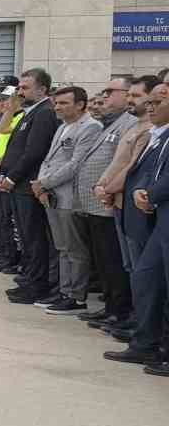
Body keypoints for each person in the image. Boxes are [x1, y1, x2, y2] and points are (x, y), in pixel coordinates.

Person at [110, 82, 169, 366]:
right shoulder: (160, 136)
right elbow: (147, 171)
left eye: (159, 101)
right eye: (151, 102)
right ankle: (145, 343)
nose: (151, 107)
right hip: (157, 220)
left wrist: (152, 194)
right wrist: (142, 190)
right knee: (146, 277)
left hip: (161, 216)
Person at [78, 78, 142, 333]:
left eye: (109, 92)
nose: (104, 97)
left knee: (115, 261)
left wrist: (107, 187)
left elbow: (126, 164)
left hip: (111, 200)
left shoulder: (132, 124)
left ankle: (120, 309)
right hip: (99, 201)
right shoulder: (114, 123)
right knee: (105, 260)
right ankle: (111, 306)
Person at [31, 87, 101, 315]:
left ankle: (76, 297)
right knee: (62, 248)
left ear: (80, 104)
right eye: (56, 103)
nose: (57, 107)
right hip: (52, 194)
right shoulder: (62, 126)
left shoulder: (91, 127)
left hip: (70, 196)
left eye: (63, 103)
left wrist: (45, 183)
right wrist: (40, 183)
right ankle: (64, 291)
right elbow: (49, 159)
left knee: (75, 249)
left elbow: (75, 164)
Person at [0, 69, 60, 305]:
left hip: (28, 185)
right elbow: (15, 148)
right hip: (18, 184)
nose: (20, 92)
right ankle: (29, 278)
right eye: (20, 88)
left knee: (34, 237)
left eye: (25, 88)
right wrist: (5, 173)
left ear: (42, 89)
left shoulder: (44, 113)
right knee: (25, 235)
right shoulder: (28, 113)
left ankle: (37, 285)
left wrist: (12, 177)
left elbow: (34, 152)